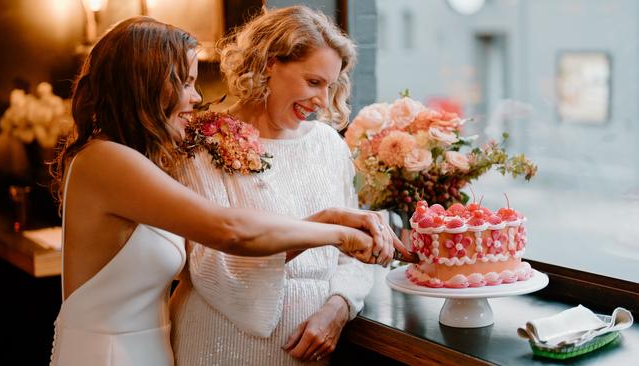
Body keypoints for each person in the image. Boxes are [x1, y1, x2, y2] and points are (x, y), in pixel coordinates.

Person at [49, 16, 396, 366]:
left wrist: (338, 294)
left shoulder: (139, 159)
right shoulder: (105, 161)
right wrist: (335, 228)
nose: (197, 98)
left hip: (147, 352)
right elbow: (230, 231)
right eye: (185, 83)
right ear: (146, 84)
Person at [170, 6, 406, 365]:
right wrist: (326, 226)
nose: (322, 101)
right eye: (313, 82)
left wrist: (338, 308)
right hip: (221, 345)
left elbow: (354, 257)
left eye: (330, 86)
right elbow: (215, 271)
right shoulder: (202, 144)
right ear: (268, 64)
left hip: (311, 353)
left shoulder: (327, 144)